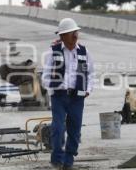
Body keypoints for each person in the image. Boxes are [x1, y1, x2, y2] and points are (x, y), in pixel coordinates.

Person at [42, 18, 94, 170]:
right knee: (57, 129)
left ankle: (68, 161)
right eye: (71, 34)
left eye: (75, 33)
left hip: (77, 97)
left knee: (75, 132)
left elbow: (91, 74)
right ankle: (57, 159)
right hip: (59, 96)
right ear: (62, 36)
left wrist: (88, 90)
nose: (74, 36)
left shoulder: (84, 52)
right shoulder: (53, 52)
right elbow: (45, 75)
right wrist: (51, 89)